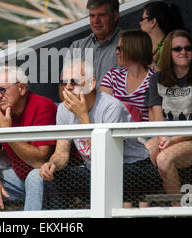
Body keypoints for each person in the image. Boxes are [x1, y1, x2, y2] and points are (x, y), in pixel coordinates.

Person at [40, 58, 161, 207]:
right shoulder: (63, 109)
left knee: (106, 175)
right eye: (63, 83)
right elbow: (62, 153)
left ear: (91, 84)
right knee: (55, 177)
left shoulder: (111, 107)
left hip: (134, 169)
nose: (68, 87)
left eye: (74, 81)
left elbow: (106, 156)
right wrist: (52, 164)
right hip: (97, 172)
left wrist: (83, 117)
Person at [0, 63, 57, 212]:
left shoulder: (42, 105)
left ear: (21, 88)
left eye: (3, 89)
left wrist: (6, 131)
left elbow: (39, 161)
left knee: (35, 176)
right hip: (21, 178)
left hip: (56, 179)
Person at [144, 29, 192, 205]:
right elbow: (156, 118)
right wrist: (164, 138)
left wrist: (173, 140)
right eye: (177, 49)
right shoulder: (156, 79)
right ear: (168, 53)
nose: (183, 52)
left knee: (163, 159)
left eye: (188, 48)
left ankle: (179, 211)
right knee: (141, 154)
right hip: (163, 136)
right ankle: (138, 210)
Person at [67, 0, 122, 87]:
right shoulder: (77, 47)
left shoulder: (129, 45)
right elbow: (64, 88)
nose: (96, 21)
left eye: (101, 15)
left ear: (115, 16)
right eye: (92, 16)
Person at [99, 29, 155, 122]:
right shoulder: (113, 75)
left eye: (120, 49)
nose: (117, 52)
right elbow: (101, 110)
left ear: (135, 49)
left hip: (143, 134)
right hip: (114, 132)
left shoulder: (154, 79)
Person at [139, 1, 184, 70]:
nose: (140, 22)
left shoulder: (170, 47)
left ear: (152, 22)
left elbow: (173, 78)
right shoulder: (147, 48)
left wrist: (152, 65)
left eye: (142, 19)